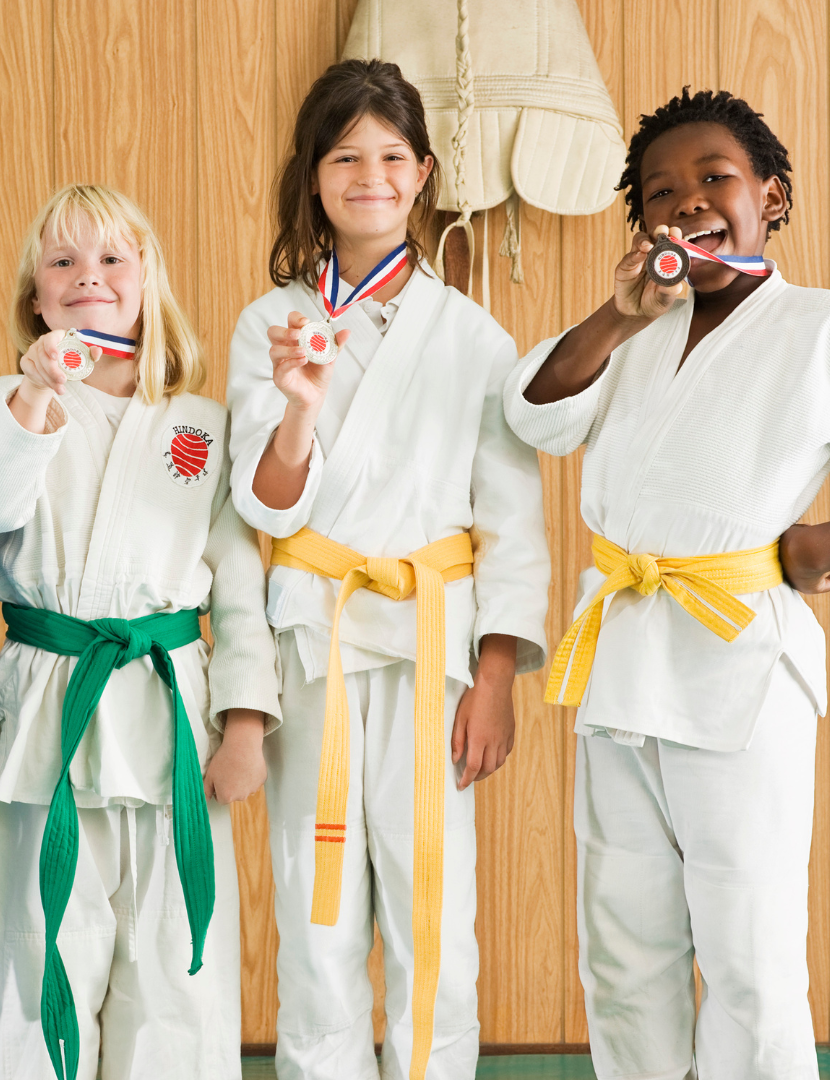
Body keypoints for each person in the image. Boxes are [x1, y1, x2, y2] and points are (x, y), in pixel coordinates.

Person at [505, 88, 830, 1080]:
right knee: (623, 949)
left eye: (714, 178)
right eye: (659, 192)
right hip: (623, 659)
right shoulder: (635, 327)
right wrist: (618, 310)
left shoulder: (826, 327)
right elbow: (535, 415)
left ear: (772, 193)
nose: (688, 204)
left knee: (750, 956)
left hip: (739, 661)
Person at [226, 60, 551, 1080]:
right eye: (345, 157)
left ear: (424, 175)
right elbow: (261, 504)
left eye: (391, 157)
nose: (369, 175)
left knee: (433, 904)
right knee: (314, 906)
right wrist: (299, 404)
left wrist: (496, 676)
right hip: (311, 637)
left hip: (431, 647)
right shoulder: (266, 324)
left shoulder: (478, 337)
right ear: (312, 178)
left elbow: (512, 524)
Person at [0, 184, 278, 1080]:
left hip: (171, 715)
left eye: (110, 259)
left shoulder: (204, 424)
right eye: (62, 261)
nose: (87, 276)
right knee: (29, 960)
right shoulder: (5, 405)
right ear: (34, 298)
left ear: (148, 282)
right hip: (47, 711)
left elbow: (241, 586)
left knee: (177, 982)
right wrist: (35, 396)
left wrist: (245, 719)